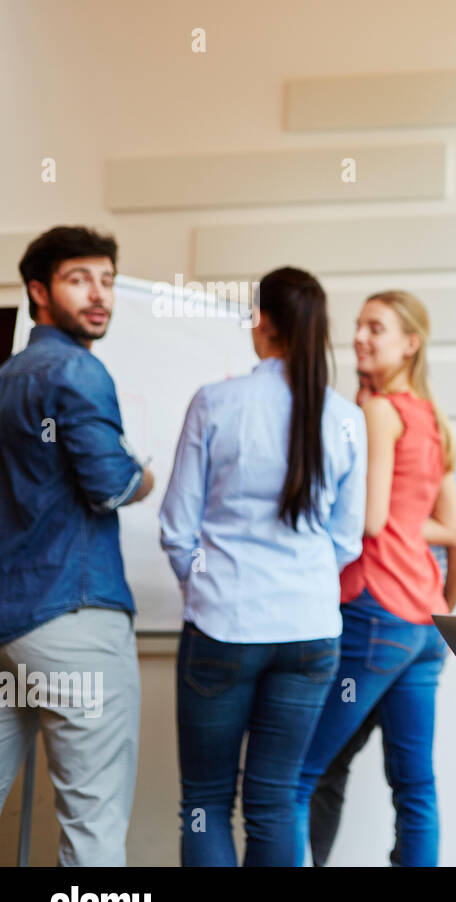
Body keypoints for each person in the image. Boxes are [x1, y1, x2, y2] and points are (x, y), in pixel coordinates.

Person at [159, 266, 367, 866]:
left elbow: (177, 528)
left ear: (264, 323)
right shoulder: (346, 418)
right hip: (309, 632)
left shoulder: (215, 402)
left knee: (204, 799)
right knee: (274, 802)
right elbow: (346, 541)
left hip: (221, 627)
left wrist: (204, 591)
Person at [0, 226, 155, 866]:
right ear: (38, 291)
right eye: (78, 279)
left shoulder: (7, 374)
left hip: (10, 628)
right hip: (76, 621)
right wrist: (142, 474)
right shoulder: (77, 369)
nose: (99, 295)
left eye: (107, 280)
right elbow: (109, 486)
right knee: (92, 830)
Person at [296, 290, 456, 867]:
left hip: (375, 610)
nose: (360, 336)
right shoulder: (429, 415)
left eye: (377, 328)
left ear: (409, 343)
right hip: (423, 622)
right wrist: (403, 526)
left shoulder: (378, 410)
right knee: (415, 787)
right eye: (359, 325)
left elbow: (366, 519)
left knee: (301, 774)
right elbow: (453, 527)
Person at [308, 468, 456, 867]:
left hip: (369, 633)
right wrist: (437, 612)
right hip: (424, 633)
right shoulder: (445, 470)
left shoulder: (367, 476)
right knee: (415, 785)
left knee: (313, 773)